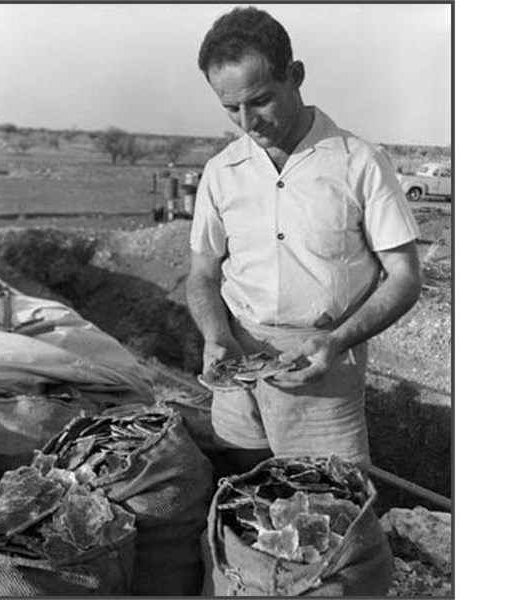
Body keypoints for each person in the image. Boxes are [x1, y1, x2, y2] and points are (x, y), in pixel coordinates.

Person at [186, 6, 422, 474]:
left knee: (330, 508)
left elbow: (404, 278)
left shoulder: (360, 163)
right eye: (230, 108)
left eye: (260, 100)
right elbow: (202, 273)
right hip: (238, 368)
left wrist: (334, 343)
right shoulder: (221, 172)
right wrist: (216, 336)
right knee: (246, 490)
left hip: (325, 368)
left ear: (295, 75)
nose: (247, 122)